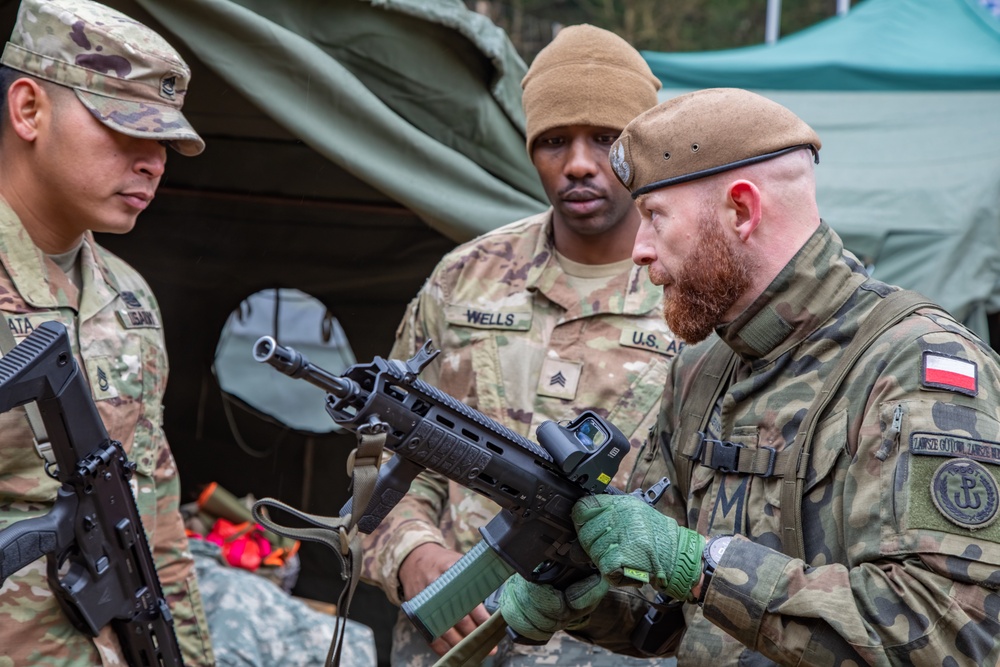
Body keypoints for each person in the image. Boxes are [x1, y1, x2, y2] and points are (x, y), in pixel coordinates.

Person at [498, 87, 1000, 665]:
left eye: (655, 216)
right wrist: (587, 604)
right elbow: (668, 616)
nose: (638, 249)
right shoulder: (701, 371)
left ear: (741, 210)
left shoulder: (916, 367)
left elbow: (946, 632)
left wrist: (703, 566)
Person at [361, 24, 684, 667]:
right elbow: (382, 452)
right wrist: (412, 554)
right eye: (554, 141)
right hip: (458, 644)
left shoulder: (691, 293)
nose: (580, 164)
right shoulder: (464, 279)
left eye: (607, 138)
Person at [0, 0, 215, 664]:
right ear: (30, 110)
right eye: (126, 128)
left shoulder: (130, 299)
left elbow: (153, 512)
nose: (153, 162)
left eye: (165, 144)